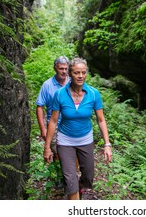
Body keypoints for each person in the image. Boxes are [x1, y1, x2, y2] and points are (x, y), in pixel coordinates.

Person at [43, 57, 112, 200]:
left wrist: (107, 144)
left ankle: (79, 188)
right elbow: (53, 121)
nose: (80, 76)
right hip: (65, 141)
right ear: (70, 74)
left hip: (85, 140)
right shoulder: (60, 94)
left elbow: (101, 120)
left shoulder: (93, 94)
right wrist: (47, 146)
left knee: (88, 176)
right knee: (70, 178)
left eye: (83, 72)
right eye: (76, 73)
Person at [36, 56, 69, 158]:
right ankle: (58, 172)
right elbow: (39, 107)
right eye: (61, 69)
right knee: (58, 154)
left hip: (70, 124)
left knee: (72, 154)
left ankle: (75, 173)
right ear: (55, 68)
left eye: (66, 69)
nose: (64, 71)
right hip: (54, 126)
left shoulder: (73, 82)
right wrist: (43, 129)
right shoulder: (47, 85)